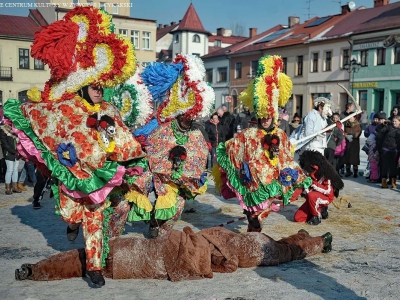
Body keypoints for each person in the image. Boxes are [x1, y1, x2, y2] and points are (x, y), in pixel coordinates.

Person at [3, 6, 146, 286]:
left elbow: (123, 139)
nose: (98, 90)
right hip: (72, 174)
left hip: (99, 176)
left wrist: (135, 161)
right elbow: (41, 115)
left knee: (95, 217)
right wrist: (18, 116)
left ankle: (95, 267)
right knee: (71, 213)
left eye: (101, 86)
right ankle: (71, 224)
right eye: (94, 85)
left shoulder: (109, 110)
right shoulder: (66, 107)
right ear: (82, 85)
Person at [15, 226, 333, 282]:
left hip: (217, 245)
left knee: (279, 250)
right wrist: (37, 269)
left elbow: (79, 259)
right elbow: (77, 261)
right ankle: (308, 241)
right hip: (206, 248)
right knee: (279, 250)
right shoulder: (107, 258)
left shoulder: (112, 253)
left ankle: (312, 242)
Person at [216, 55, 311, 232]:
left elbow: (285, 158)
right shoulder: (248, 134)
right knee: (253, 216)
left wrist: (298, 175)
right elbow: (231, 151)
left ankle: (254, 238)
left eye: (269, 116)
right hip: (252, 184)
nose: (266, 119)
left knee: (261, 214)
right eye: (263, 116)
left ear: (274, 115)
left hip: (271, 183)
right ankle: (253, 233)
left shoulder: (281, 134)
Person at [129, 54, 215, 238]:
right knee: (143, 193)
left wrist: (191, 175)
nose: (188, 118)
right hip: (158, 177)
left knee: (176, 208)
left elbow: (199, 158)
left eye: (192, 116)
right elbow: (152, 151)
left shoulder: (196, 135)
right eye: (186, 114)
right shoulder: (164, 129)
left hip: (178, 182)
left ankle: (158, 227)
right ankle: (151, 220)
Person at [294, 150, 344, 225]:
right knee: (298, 218)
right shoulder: (308, 174)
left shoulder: (326, 174)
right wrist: (289, 196)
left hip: (326, 197)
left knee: (312, 195)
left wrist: (314, 184)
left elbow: (328, 191)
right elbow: (301, 188)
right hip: (312, 199)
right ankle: (320, 210)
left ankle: (316, 216)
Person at [375, 116, 400, 188]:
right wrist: (383, 124)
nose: (394, 123)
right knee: (385, 166)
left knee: (393, 167)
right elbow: (378, 130)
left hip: (395, 150)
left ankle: (393, 183)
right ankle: (384, 183)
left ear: (399, 122)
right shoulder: (388, 127)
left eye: (396, 121)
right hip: (386, 149)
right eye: (393, 121)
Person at [0, 122, 22, 194]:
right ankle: (8, 188)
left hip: (17, 152)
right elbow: (4, 143)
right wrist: (13, 151)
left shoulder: (16, 129)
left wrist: (19, 151)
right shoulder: (3, 129)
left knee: (15, 169)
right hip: (9, 153)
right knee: (10, 170)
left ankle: (15, 187)